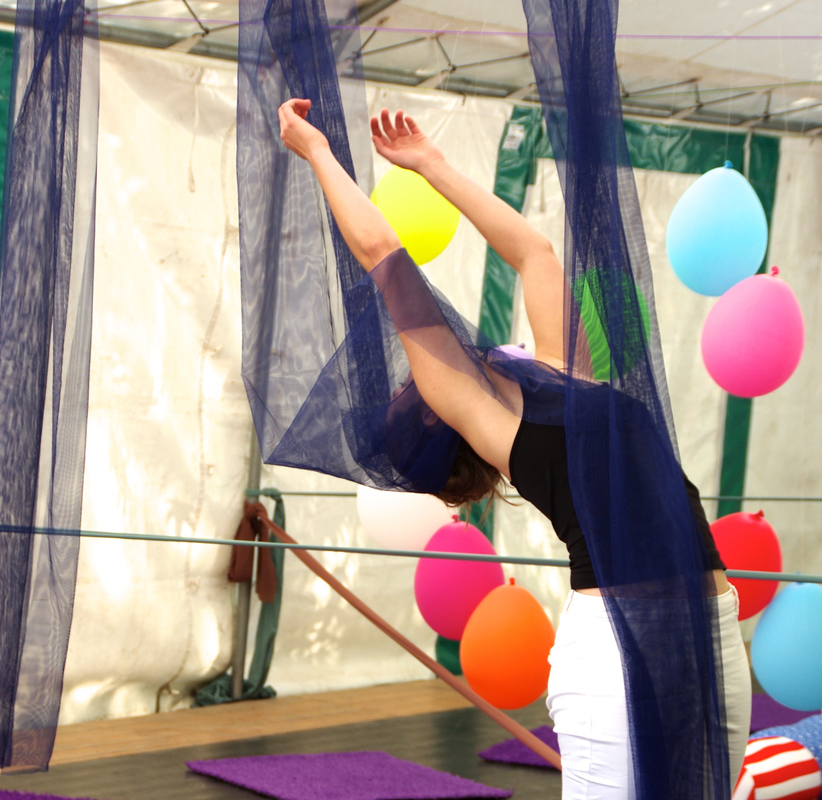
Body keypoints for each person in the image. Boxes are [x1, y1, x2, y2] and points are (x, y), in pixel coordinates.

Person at [277, 97, 752, 799]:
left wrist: (433, 167)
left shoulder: (565, 373)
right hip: (617, 652)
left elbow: (534, 252)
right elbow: (382, 255)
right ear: (440, 414)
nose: (439, 360)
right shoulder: (493, 423)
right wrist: (318, 152)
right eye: (425, 382)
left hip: (711, 627)